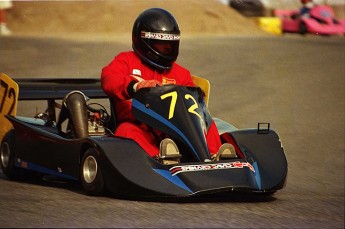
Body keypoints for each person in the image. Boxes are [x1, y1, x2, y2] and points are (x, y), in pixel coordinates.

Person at [101, 8, 235, 164]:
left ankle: (213, 156)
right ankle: (159, 159)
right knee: (126, 131)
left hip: (174, 132)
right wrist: (136, 86)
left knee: (207, 123)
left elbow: (195, 105)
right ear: (145, 41)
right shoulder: (125, 61)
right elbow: (108, 79)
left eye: (171, 45)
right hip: (141, 126)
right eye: (162, 44)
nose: (167, 49)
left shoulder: (181, 73)